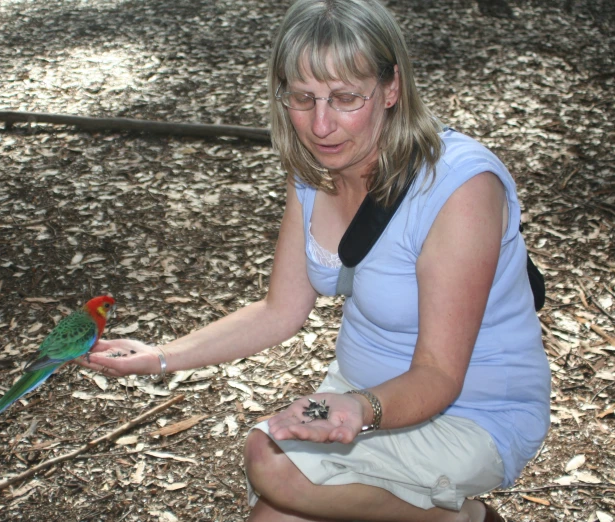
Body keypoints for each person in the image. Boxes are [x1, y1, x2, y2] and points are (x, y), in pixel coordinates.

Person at [75, 0, 551, 520]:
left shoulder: (460, 189)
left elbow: (438, 374)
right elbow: (279, 310)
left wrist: (358, 411)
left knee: (272, 462)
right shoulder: (315, 172)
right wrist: (161, 356)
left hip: (470, 413)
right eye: (302, 99)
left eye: (346, 98)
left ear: (392, 88)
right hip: (356, 392)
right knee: (274, 510)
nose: (321, 125)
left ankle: (467, 518)